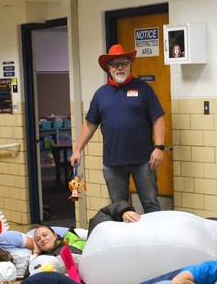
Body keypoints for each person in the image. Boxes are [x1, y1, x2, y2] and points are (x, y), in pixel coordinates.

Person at [70, 44, 166, 213]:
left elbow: (158, 118)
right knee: (119, 208)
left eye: (124, 63)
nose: (120, 68)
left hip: (143, 160)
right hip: (113, 162)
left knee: (151, 205)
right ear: (109, 69)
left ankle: (155, 239)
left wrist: (159, 148)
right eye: (115, 65)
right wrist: (77, 150)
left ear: (130, 66)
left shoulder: (144, 89)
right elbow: (90, 124)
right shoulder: (101, 94)